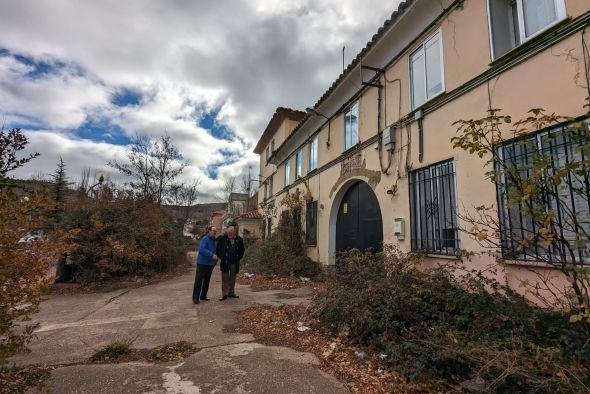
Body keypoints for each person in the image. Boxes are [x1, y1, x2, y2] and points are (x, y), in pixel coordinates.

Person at [216, 226, 245, 301]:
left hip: (234, 262)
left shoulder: (239, 239)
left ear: (234, 232)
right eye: (229, 232)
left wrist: (238, 257)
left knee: (233, 278)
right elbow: (218, 249)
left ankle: (231, 293)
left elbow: (242, 250)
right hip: (225, 262)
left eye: (231, 233)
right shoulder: (222, 239)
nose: (230, 234)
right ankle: (224, 294)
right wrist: (222, 257)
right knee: (224, 278)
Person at [192, 226, 218, 304]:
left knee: (206, 281)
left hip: (210, 264)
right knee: (198, 281)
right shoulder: (205, 239)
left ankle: (203, 296)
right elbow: (202, 249)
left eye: (215, 231)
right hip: (202, 263)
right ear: (209, 231)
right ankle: (195, 298)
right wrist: (212, 255)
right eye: (213, 230)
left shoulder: (214, 240)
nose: (215, 232)